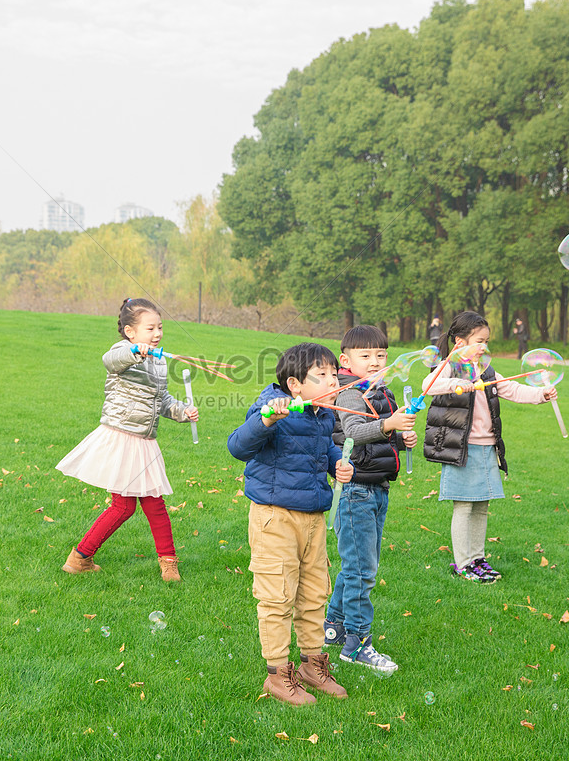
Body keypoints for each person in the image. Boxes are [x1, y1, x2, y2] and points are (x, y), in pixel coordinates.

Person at [228, 343, 354, 705]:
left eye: (335, 374)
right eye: (323, 375)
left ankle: (313, 665)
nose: (333, 379)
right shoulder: (272, 408)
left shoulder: (322, 413)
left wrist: (339, 465)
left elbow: (324, 449)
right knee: (277, 595)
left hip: (313, 517)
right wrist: (267, 420)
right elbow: (238, 446)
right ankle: (277, 674)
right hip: (275, 516)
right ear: (296, 385)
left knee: (315, 593)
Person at [56, 297, 198, 582]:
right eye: (150, 329)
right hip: (122, 438)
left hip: (143, 442)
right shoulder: (123, 350)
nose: (157, 334)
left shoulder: (158, 362)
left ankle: (165, 563)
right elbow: (111, 361)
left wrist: (183, 411)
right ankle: (81, 557)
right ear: (130, 332)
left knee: (149, 505)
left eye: (160, 328)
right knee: (125, 506)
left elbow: (161, 400)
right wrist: (136, 351)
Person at [420, 311, 555, 583]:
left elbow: (512, 390)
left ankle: (477, 559)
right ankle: (462, 563)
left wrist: (541, 394)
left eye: (486, 341)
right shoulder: (451, 366)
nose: (484, 346)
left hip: (487, 448)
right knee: (464, 507)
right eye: (479, 341)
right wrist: (459, 382)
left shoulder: (486, 370)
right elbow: (428, 385)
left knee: (481, 506)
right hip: (462, 449)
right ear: (459, 342)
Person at [323, 325, 416, 675]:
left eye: (381, 355)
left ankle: (333, 626)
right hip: (356, 491)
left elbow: (380, 441)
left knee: (358, 565)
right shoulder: (350, 392)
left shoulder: (380, 391)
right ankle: (358, 645)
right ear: (346, 360)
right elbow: (352, 432)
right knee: (363, 571)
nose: (375, 361)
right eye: (366, 356)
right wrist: (389, 424)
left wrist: (402, 438)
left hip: (377, 488)